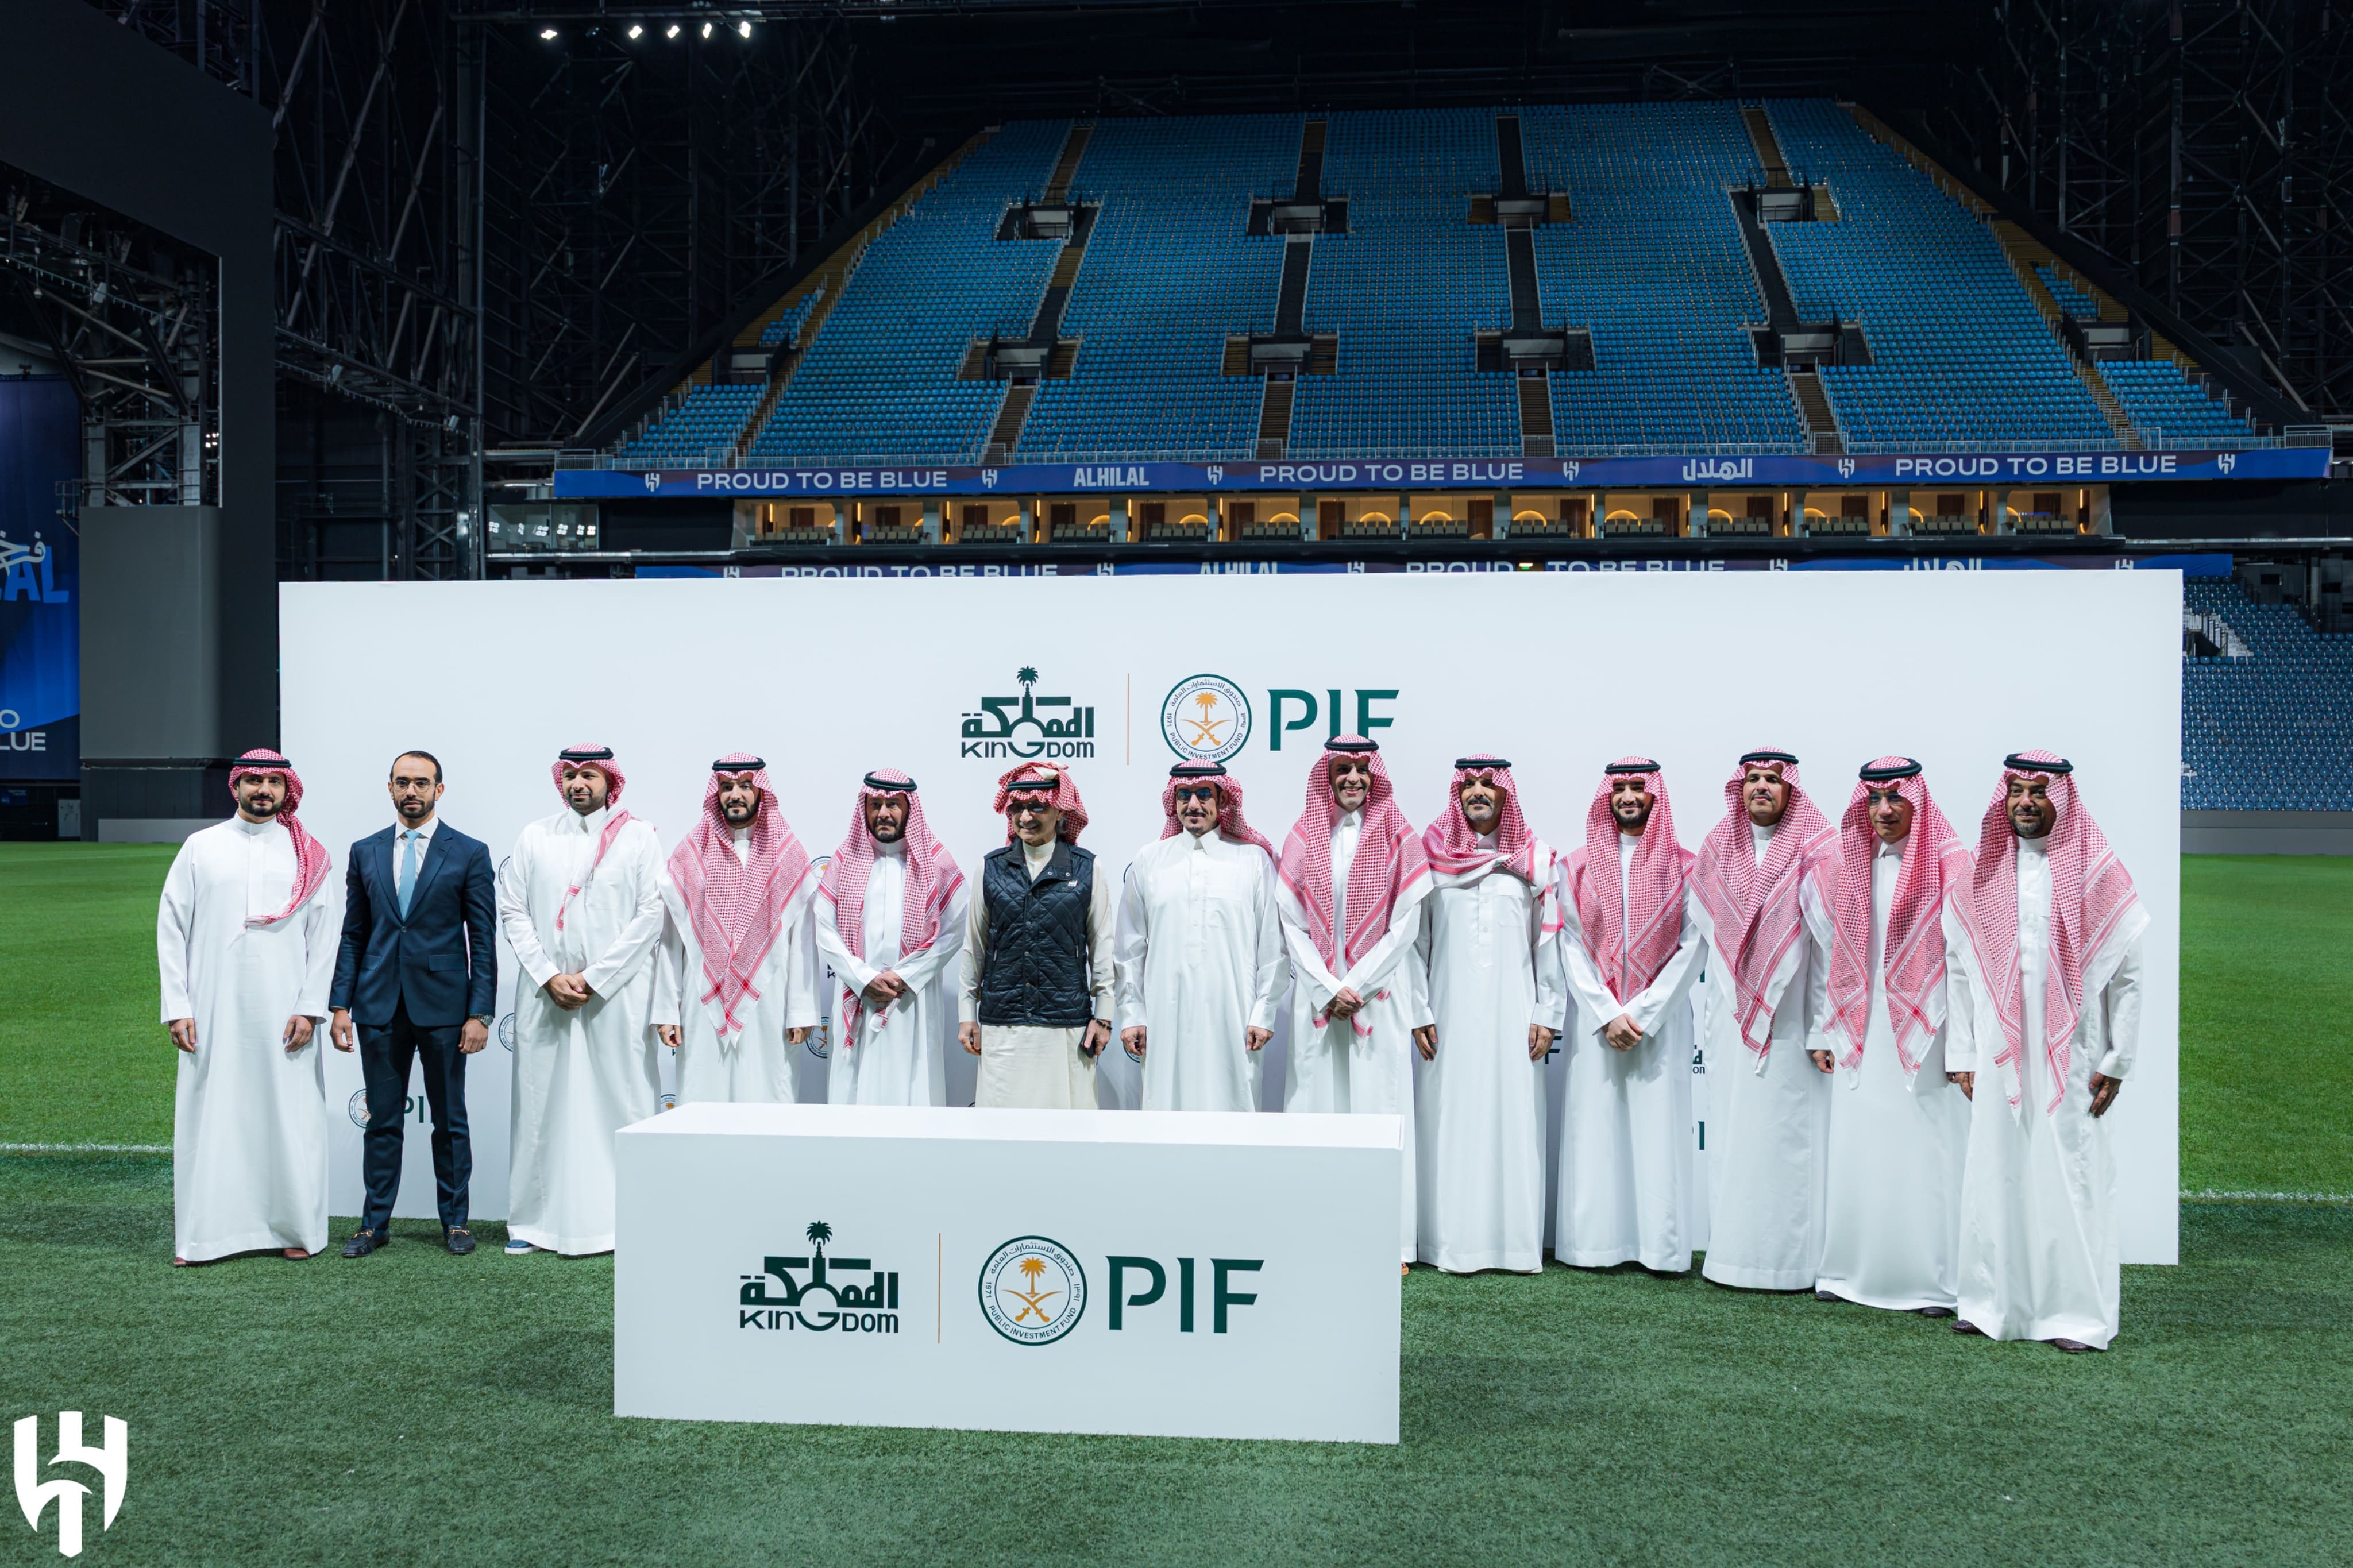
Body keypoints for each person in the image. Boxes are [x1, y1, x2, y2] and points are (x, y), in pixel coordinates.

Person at [1951, 751, 2146, 1352]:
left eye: (2038, 791)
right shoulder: (1982, 873)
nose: (2026, 802)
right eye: (2016, 791)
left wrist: (2119, 1058)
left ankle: (2075, 1316)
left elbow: (2128, 975)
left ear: (2061, 799)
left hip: (2073, 1052)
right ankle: (1992, 1305)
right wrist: (1962, 1050)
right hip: (1998, 1048)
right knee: (1997, 1167)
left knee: (2070, 1173)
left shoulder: (2096, 872)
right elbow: (1959, 968)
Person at [157, 749, 338, 1266]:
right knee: (210, 1114)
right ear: (235, 786)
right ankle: (203, 1238)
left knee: (289, 1115)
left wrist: (311, 1007)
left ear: (287, 790)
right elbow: (172, 927)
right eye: (254, 780)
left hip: (287, 1011)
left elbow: (325, 937)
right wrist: (178, 1005)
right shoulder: (201, 847)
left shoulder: (308, 854)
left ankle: (296, 1228)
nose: (264, 790)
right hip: (212, 1006)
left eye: (274, 782)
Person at [1815, 756, 1977, 1316]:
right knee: (1860, 1146)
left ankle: (1932, 1282)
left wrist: (1963, 1049)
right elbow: (1833, 954)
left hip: (1930, 1031)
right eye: (1874, 800)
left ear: (1917, 802)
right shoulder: (1850, 864)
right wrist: (1826, 1026)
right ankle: (1847, 1272)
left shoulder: (1952, 864)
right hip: (1862, 1028)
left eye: (1894, 799)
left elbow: (1965, 966)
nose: (1883, 811)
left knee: (1926, 1151)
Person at [495, 744, 666, 1256]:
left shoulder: (639, 837)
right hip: (546, 996)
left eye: (589, 775)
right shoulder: (536, 836)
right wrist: (549, 975)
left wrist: (595, 979)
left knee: (622, 1101)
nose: (578, 784)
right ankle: (533, 1223)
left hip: (616, 997)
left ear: (610, 781)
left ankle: (626, 1221)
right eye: (570, 775)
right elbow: (513, 910)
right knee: (541, 1106)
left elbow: (651, 915)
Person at [328, 750, 497, 1258]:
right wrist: (340, 1005)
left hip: (445, 1009)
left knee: (450, 1121)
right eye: (403, 782)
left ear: (439, 790)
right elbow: (354, 934)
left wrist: (480, 1013)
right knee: (383, 1121)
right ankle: (373, 1225)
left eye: (422, 783)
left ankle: (457, 1224)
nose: (411, 791)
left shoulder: (469, 852)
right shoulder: (365, 851)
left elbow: (483, 940)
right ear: (390, 788)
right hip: (378, 1006)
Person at [1276, 736, 1433, 1269]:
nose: (1352, 779)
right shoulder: (1303, 837)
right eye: (1342, 769)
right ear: (1327, 775)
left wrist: (1358, 987)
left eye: (1362, 770)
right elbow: (1292, 925)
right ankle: (1310, 1238)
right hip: (1319, 1004)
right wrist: (1326, 988)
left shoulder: (1401, 838)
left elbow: (1405, 927)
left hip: (1378, 1001)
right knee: (1314, 1113)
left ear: (1375, 777)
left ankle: (1387, 1244)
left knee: (1378, 1112)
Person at [1688, 748, 1839, 1292]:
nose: (1761, 787)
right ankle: (1731, 1257)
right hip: (1730, 1020)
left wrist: (1822, 1026)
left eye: (1773, 780)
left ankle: (1791, 1265)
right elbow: (1705, 937)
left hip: (1793, 1022)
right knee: (1733, 1133)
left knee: (1787, 1136)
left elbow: (1828, 950)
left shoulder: (1818, 847)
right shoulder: (1718, 846)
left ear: (1790, 789)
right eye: (1752, 778)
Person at [1412, 755, 1565, 1275]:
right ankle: (1448, 1244)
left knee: (1513, 1116)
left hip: (1514, 1015)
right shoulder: (1432, 857)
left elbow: (1549, 943)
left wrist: (1548, 1011)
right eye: (1469, 784)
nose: (1478, 791)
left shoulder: (1534, 858)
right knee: (1449, 1118)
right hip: (1447, 1014)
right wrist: (1418, 1009)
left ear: (1506, 794)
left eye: (1488, 784)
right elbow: (1417, 943)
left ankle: (1513, 1247)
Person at [1553, 758, 1706, 1275]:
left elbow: (1694, 945)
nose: (1628, 796)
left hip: (1658, 1024)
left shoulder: (1687, 866)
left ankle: (1659, 1249)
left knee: (1658, 1130)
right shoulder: (1575, 867)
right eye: (1619, 788)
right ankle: (1592, 1246)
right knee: (1594, 1129)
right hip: (1597, 1024)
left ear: (1655, 795)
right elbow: (1570, 944)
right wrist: (1605, 1012)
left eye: (1639, 787)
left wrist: (1643, 1012)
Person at [1114, 760, 1288, 1111]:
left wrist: (1264, 1012)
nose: (1193, 805)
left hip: (1235, 1018)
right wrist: (1133, 1014)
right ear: (1173, 801)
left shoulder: (1252, 860)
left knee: (1234, 1112)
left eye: (1204, 794)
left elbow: (1274, 947)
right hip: (1164, 1019)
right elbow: (1129, 950)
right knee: (1165, 1112)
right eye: (1184, 795)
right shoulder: (1149, 860)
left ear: (1222, 800)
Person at [654, 754, 821, 1104]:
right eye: (727, 787)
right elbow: (673, 940)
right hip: (701, 1001)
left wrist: (802, 1010)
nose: (735, 795)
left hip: (770, 1001)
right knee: (702, 1094)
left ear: (760, 792)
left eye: (745, 786)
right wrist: (668, 1009)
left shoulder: (787, 854)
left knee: (767, 1096)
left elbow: (802, 940)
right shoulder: (690, 855)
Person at [956, 763, 1114, 1108]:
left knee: (1067, 1127)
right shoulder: (991, 868)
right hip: (1003, 1027)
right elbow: (975, 948)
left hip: (1068, 1028)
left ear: (1060, 811)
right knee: (1002, 1129)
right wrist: (967, 1013)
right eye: (1017, 808)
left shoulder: (1087, 868)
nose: (1025, 817)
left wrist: (1104, 1017)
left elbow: (1102, 947)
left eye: (1037, 807)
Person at [819, 769, 968, 1106]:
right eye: (875, 804)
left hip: (912, 1000)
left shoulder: (937, 863)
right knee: (853, 1096)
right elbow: (825, 931)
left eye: (893, 804)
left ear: (909, 808)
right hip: (858, 995)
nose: (883, 813)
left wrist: (905, 976)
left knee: (914, 1091)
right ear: (865, 808)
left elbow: (954, 930)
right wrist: (863, 978)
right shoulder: (845, 861)